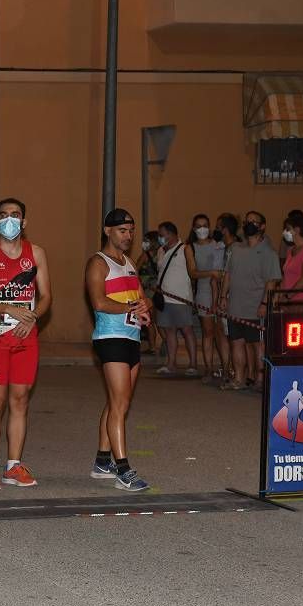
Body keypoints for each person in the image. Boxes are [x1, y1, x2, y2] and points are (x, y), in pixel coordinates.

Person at [0, 198, 52, 490]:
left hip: (27, 339)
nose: (10, 220)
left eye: (15, 215)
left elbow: (46, 297)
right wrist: (7, 310)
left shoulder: (36, 253)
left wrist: (33, 317)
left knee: (20, 400)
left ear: (24, 222)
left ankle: (13, 465)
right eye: (4, 216)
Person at [85, 208, 153, 491]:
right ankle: (123, 468)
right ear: (108, 231)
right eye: (123, 231)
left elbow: (138, 295)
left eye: (131, 231)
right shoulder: (98, 263)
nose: (128, 236)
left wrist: (144, 307)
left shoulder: (129, 263)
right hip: (110, 336)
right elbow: (99, 302)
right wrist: (129, 307)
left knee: (118, 402)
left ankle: (102, 461)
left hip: (131, 336)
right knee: (119, 403)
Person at [219, 211, 281, 391]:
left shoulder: (269, 253)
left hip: (256, 308)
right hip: (235, 306)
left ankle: (261, 380)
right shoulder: (236, 249)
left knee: (258, 345)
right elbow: (228, 275)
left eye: (254, 222)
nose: (250, 224)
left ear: (262, 226)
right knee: (236, 342)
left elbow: (271, 281)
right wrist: (223, 296)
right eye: (247, 221)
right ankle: (239, 379)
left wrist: (264, 304)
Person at [154, 221, 197, 376]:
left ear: (171, 234)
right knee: (169, 331)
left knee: (187, 331)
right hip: (164, 299)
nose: (160, 237)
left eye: (162, 234)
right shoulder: (160, 251)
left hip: (181, 299)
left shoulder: (185, 249)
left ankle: (193, 364)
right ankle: (171, 364)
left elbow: (192, 272)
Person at [189, 214, 228, 382]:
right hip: (204, 292)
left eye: (205, 225)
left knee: (222, 332)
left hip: (220, 291)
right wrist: (210, 273)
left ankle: (226, 368)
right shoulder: (190, 247)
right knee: (208, 332)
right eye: (198, 226)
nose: (202, 229)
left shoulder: (218, 245)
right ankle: (208, 369)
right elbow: (193, 273)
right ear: (193, 228)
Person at [135, 231, 162, 355]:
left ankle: (152, 347)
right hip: (159, 290)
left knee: (149, 320)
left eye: (146, 240)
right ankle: (161, 345)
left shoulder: (146, 255)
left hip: (148, 291)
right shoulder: (163, 254)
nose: (144, 243)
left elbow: (134, 270)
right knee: (158, 320)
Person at [281, 213, 303, 303]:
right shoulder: (290, 250)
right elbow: (285, 277)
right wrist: (280, 294)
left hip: (301, 302)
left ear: (297, 230)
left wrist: (288, 296)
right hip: (287, 302)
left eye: (287, 229)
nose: (284, 232)